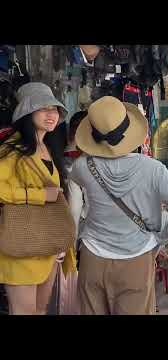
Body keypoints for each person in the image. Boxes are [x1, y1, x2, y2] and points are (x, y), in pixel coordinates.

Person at [70, 96, 168, 315]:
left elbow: (75, 206)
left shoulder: (81, 167)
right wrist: (160, 240)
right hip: (137, 257)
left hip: (93, 259)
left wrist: (77, 237)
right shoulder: (154, 169)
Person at [0, 82, 76, 315]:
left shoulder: (49, 149)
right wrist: (38, 195)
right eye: (43, 109)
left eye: (54, 109)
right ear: (27, 112)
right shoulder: (12, 148)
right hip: (21, 244)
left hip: (47, 246)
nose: (51, 114)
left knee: (41, 310)